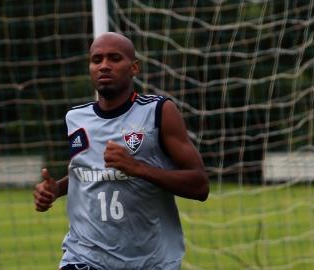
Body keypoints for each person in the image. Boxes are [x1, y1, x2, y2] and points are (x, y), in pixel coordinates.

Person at [34, 32, 209, 270]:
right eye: (97, 60)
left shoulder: (159, 112)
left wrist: (138, 169)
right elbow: (86, 170)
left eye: (114, 58)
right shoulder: (75, 118)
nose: (104, 66)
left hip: (151, 261)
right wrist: (56, 188)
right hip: (85, 256)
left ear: (134, 68)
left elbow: (200, 185)